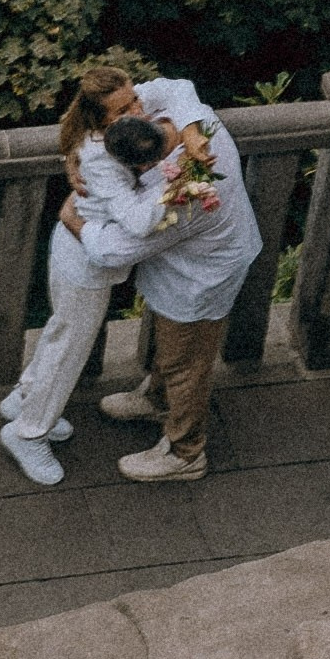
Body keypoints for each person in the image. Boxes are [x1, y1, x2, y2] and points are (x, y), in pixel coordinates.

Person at [0, 65, 215, 488]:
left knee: (61, 334)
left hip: (79, 250)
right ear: (101, 119)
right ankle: (28, 432)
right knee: (70, 350)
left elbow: (178, 86)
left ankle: (24, 398)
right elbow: (137, 223)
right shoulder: (99, 159)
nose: (139, 108)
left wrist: (185, 136)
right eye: (125, 107)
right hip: (84, 260)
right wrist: (182, 181)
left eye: (135, 97)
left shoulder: (118, 126)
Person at [75, 74, 261, 483]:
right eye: (126, 110)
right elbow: (175, 87)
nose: (137, 106)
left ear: (144, 165)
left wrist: (74, 221)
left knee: (187, 364)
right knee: (173, 349)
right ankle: (157, 398)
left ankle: (185, 452)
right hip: (191, 263)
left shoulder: (184, 194)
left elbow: (111, 250)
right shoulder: (197, 125)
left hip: (202, 277)